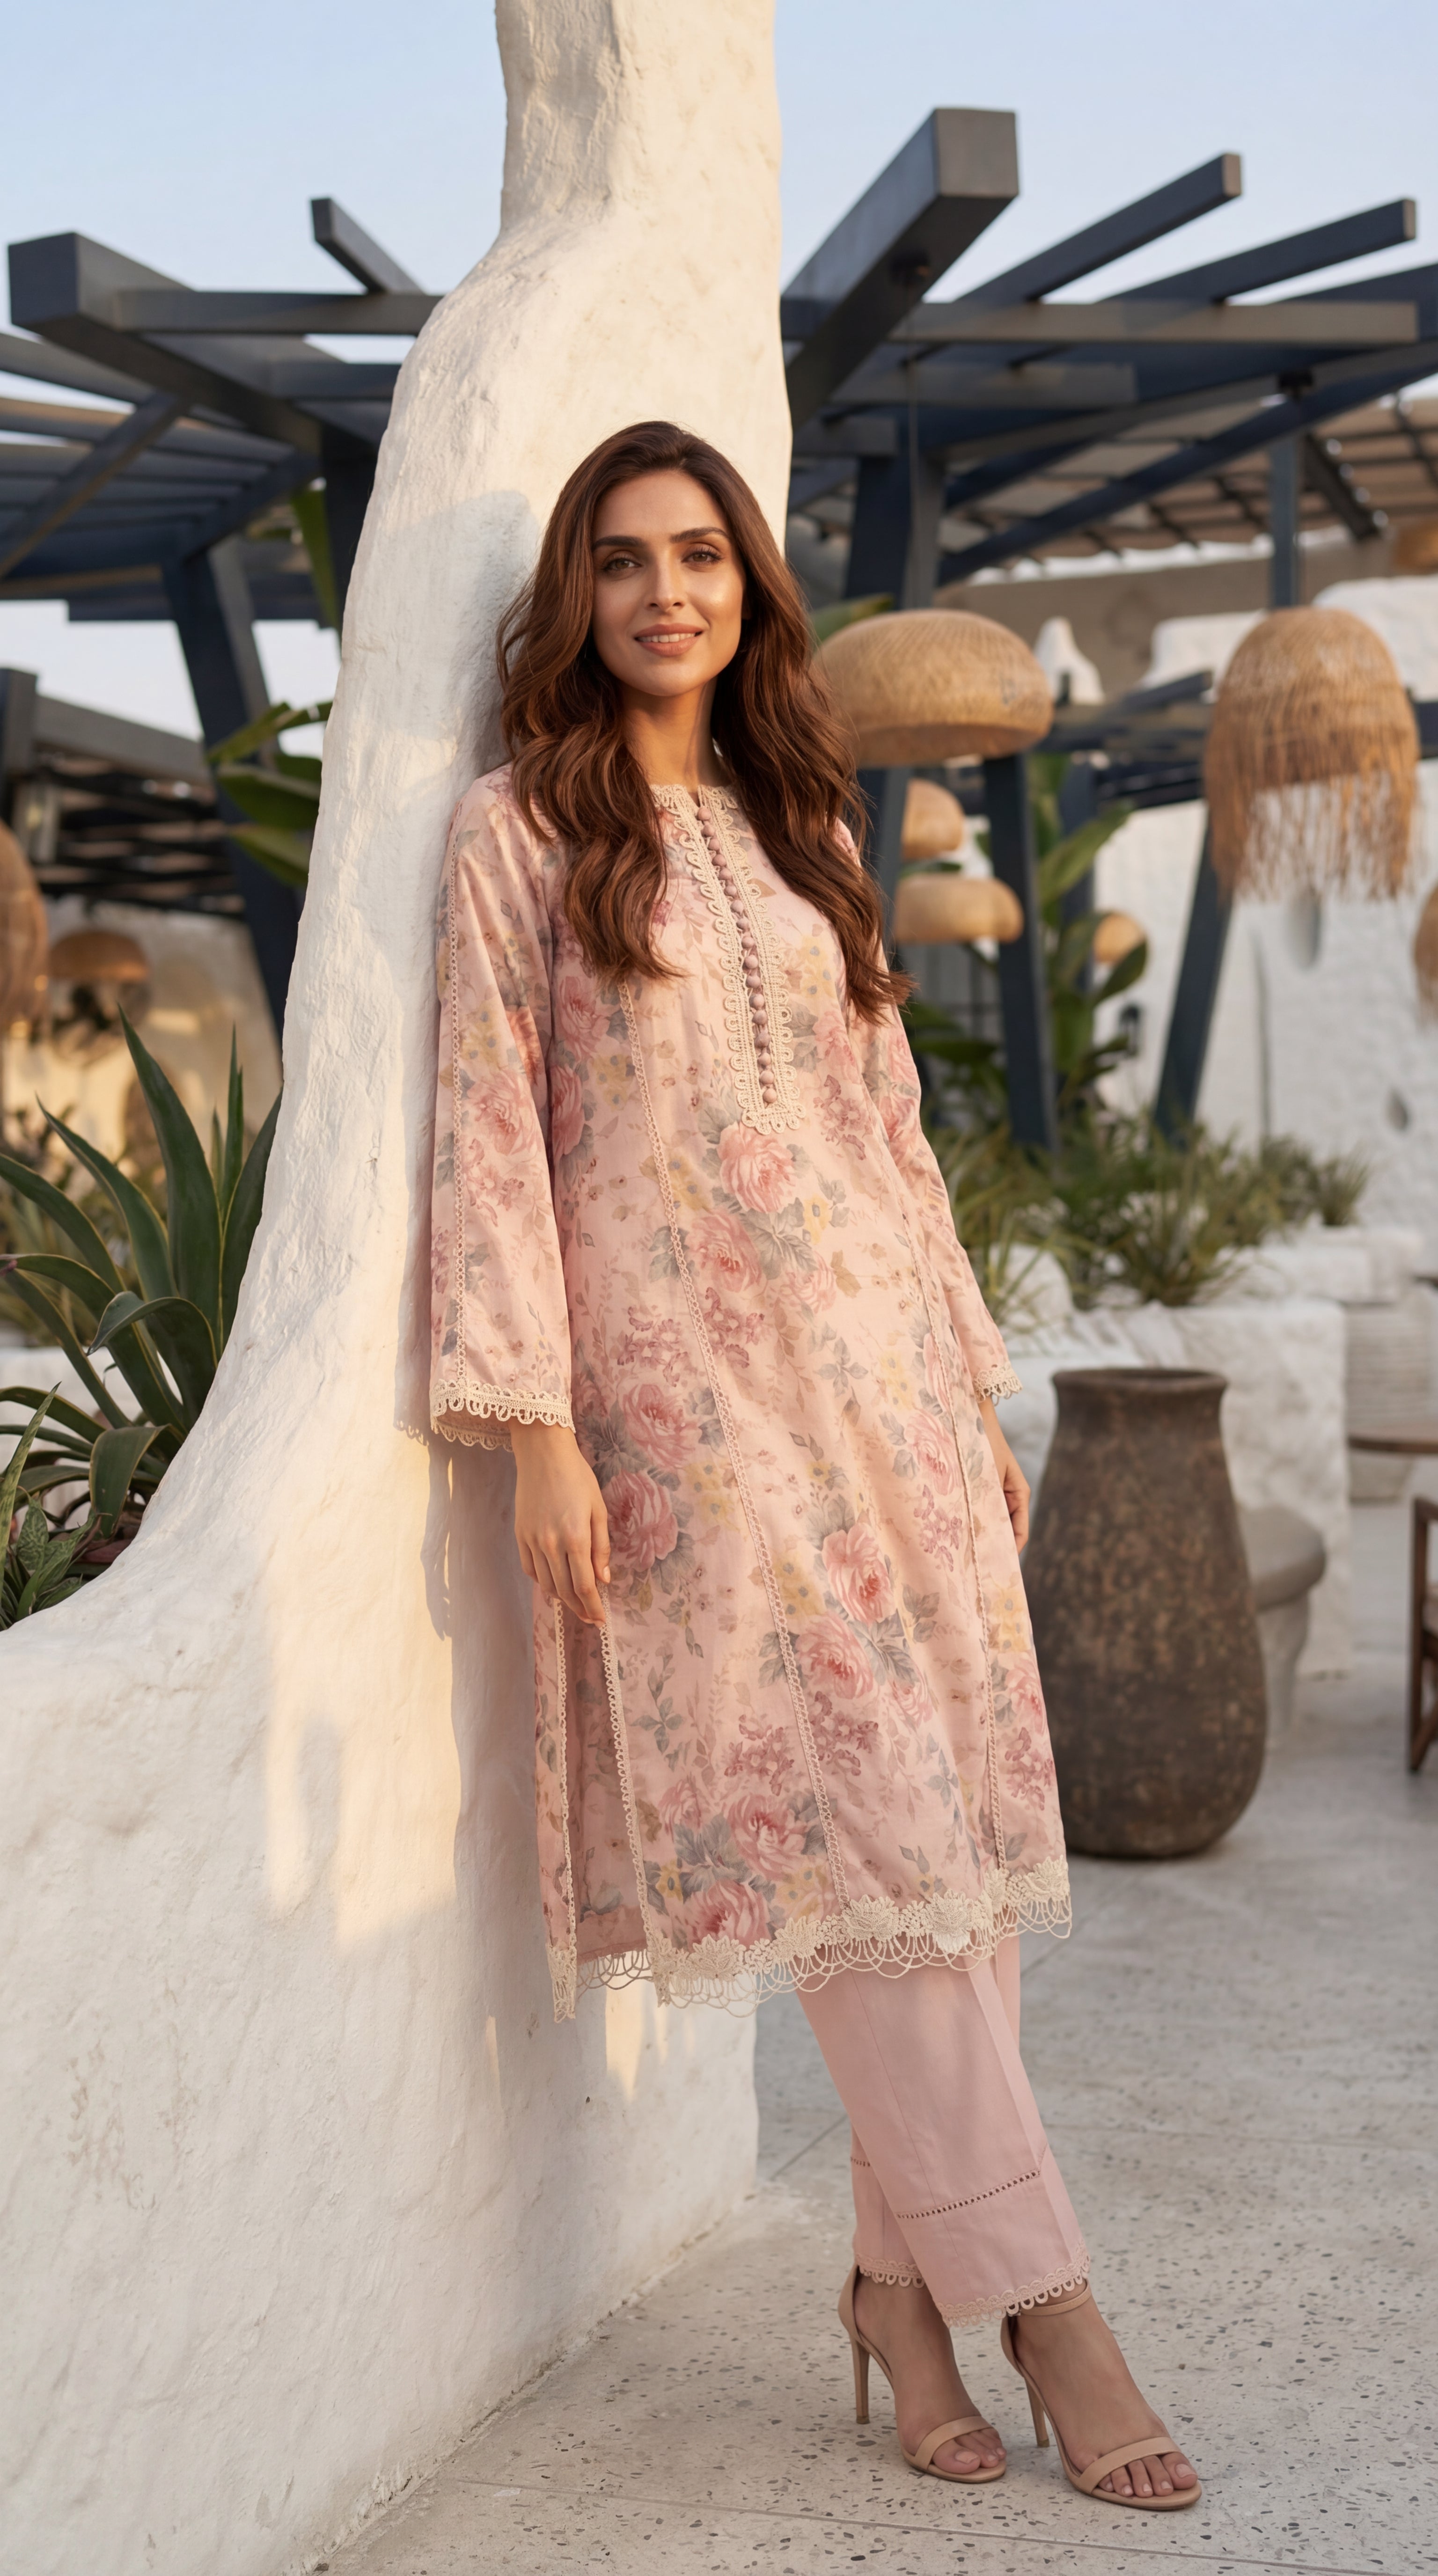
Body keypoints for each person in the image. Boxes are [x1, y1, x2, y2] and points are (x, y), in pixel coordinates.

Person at [429, 420, 1200, 2510]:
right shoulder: (519, 833)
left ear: (752, 588)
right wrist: (531, 1430)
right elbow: (488, 1134)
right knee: (863, 1834)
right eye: (620, 560)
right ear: (576, 597)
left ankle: (898, 2289)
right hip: (692, 1423)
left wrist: (965, 1372)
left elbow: (888, 1136)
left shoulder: (805, 826)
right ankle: (1053, 2302)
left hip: (885, 1399)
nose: (664, 591)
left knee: (939, 1844)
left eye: (699, 554)